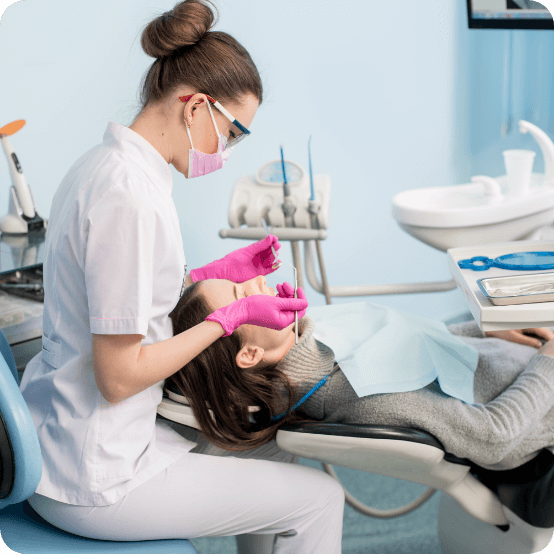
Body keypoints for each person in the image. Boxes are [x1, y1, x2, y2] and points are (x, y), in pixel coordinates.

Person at [20, 1, 344, 552]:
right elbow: (119, 376)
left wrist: (217, 274)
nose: (228, 150)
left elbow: (126, 295)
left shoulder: (106, 166)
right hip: (97, 477)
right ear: (195, 107)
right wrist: (228, 318)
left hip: (65, 437)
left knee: (275, 446)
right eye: (233, 132)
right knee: (321, 499)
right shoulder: (131, 199)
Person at [168, 275, 554, 473]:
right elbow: (493, 436)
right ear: (250, 354)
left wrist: (482, 330)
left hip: (513, 359)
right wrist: (550, 360)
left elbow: (416, 348)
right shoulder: (356, 390)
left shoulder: (309, 339)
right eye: (241, 295)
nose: (256, 282)